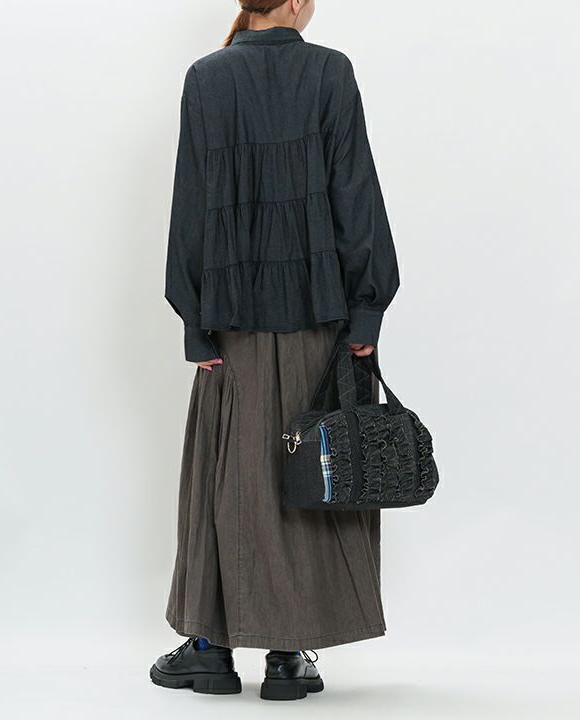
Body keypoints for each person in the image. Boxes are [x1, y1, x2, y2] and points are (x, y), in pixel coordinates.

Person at [150, 0, 400, 701]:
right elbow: (355, 195)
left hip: (232, 324)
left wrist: (194, 321)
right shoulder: (329, 72)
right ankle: (288, 654)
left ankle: (209, 649)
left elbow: (191, 204)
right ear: (294, 2)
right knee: (311, 477)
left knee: (228, 477)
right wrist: (367, 308)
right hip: (320, 316)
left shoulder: (207, 77)